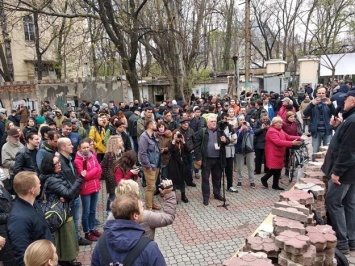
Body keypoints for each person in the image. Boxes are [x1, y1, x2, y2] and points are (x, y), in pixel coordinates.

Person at [321, 89, 355, 255]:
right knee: (349, 204)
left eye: (346, 100)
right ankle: (351, 239)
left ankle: (342, 241)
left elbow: (348, 151)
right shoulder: (349, 120)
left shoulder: (353, 121)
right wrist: (338, 127)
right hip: (350, 172)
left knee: (334, 202)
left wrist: (336, 172)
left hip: (345, 173)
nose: (343, 103)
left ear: (353, 101)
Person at [91, 194, 166, 266]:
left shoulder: (101, 243)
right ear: (135, 215)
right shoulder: (149, 247)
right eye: (142, 208)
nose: (144, 210)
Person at [40, 154, 83, 266]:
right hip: (59, 213)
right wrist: (80, 179)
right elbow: (69, 193)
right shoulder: (52, 179)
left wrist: (68, 195)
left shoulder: (57, 175)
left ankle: (67, 261)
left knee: (66, 238)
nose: (59, 164)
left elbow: (70, 193)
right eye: (56, 163)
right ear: (50, 166)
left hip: (63, 211)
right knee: (63, 240)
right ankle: (65, 262)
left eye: (59, 162)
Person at [7, 171, 53, 266]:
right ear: (32, 190)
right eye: (39, 183)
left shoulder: (33, 203)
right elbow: (22, 256)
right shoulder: (18, 219)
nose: (40, 185)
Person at [57, 138, 91, 246]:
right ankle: (74, 240)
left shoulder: (69, 159)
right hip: (69, 195)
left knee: (75, 218)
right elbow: (61, 180)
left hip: (74, 194)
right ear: (62, 147)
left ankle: (76, 237)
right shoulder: (60, 161)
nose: (72, 146)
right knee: (71, 219)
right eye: (69, 144)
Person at [194, 115, 230, 206]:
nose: (214, 123)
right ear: (207, 123)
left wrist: (225, 140)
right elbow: (196, 147)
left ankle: (217, 194)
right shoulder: (202, 132)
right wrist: (198, 158)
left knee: (217, 178)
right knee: (205, 179)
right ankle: (206, 197)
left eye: (215, 121)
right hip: (207, 159)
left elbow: (228, 141)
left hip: (218, 159)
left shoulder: (220, 131)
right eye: (212, 121)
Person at [261, 117, 302, 190]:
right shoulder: (272, 131)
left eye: (281, 122)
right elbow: (278, 142)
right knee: (274, 168)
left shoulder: (280, 130)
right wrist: (292, 143)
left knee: (279, 168)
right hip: (273, 152)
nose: (281, 124)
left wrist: (300, 137)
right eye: (279, 122)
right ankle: (264, 178)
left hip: (279, 152)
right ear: (274, 123)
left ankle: (275, 185)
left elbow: (288, 136)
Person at [74, 138, 102, 242]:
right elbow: (84, 176)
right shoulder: (78, 160)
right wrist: (94, 170)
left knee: (93, 210)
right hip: (86, 189)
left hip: (95, 186)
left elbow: (100, 170)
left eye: (88, 147)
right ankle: (86, 232)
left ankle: (92, 228)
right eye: (84, 148)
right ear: (79, 149)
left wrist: (93, 172)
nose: (86, 149)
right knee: (86, 211)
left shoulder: (93, 156)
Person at [303, 87, 335, 153]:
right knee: (315, 151)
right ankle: (314, 162)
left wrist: (330, 105)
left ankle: (326, 163)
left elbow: (335, 114)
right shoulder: (312, 103)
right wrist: (312, 105)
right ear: (316, 94)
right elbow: (305, 114)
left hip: (327, 131)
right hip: (316, 131)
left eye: (323, 93)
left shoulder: (329, 103)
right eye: (319, 93)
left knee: (327, 152)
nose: (321, 94)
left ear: (325, 94)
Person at [138, 119, 161, 211]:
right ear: (150, 125)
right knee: (150, 187)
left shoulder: (153, 135)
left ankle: (152, 203)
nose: (156, 125)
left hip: (156, 165)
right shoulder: (144, 137)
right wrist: (148, 166)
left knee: (153, 186)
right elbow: (142, 153)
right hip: (150, 167)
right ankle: (149, 208)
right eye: (155, 123)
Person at [101, 135, 125, 216]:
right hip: (112, 181)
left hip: (120, 179)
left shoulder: (121, 152)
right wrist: (110, 177)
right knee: (112, 196)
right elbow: (103, 167)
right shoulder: (108, 155)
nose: (122, 142)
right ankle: (108, 211)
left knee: (119, 195)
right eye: (120, 141)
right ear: (114, 143)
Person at [234, 115, 256, 188]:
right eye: (240, 120)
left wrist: (247, 130)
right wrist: (240, 130)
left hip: (249, 149)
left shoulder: (250, 128)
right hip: (239, 149)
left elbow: (253, 137)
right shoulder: (235, 129)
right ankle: (239, 180)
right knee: (240, 166)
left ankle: (252, 181)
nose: (242, 121)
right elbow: (235, 138)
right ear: (238, 121)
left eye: (243, 119)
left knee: (251, 166)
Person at [0, 171, 16, 265]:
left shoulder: (2, 188)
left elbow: (11, 199)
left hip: (11, 229)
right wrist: (11, 215)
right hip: (3, 233)